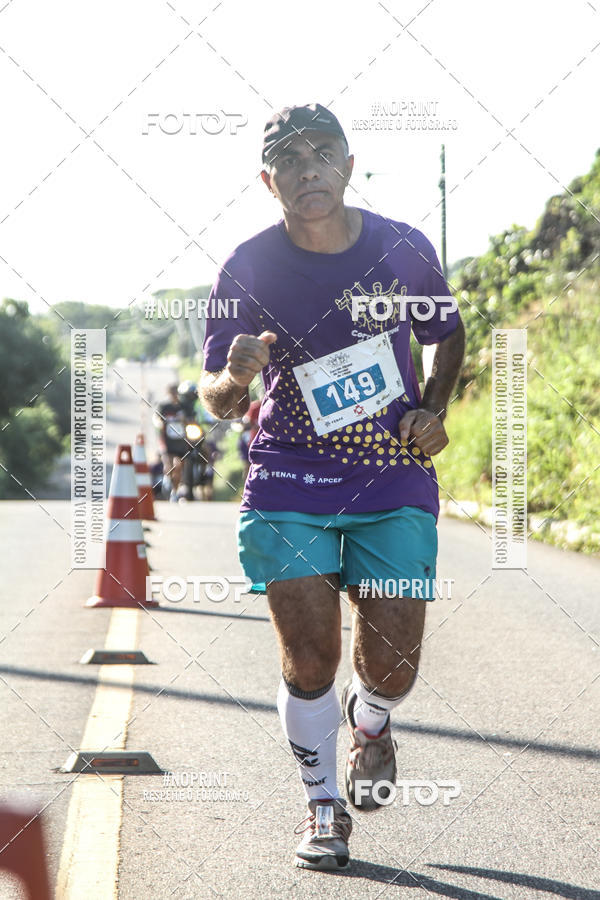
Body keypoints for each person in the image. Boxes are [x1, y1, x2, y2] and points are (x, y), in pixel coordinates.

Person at [200, 103, 464, 871]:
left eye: (322, 154)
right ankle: (321, 804)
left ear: (350, 165)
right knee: (311, 657)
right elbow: (217, 400)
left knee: (393, 665)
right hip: (288, 476)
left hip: (392, 474)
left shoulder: (402, 248)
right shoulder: (246, 266)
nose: (307, 168)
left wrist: (433, 410)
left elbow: (445, 336)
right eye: (288, 158)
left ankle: (372, 721)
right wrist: (235, 377)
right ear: (266, 180)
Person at [153, 383, 187, 502]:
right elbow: (157, 419)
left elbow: (192, 419)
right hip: (167, 441)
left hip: (180, 442)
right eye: (172, 393)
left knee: (178, 466)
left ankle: (175, 490)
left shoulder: (183, 407)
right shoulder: (164, 406)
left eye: (176, 392)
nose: (174, 395)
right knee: (169, 465)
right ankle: (167, 479)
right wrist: (160, 423)